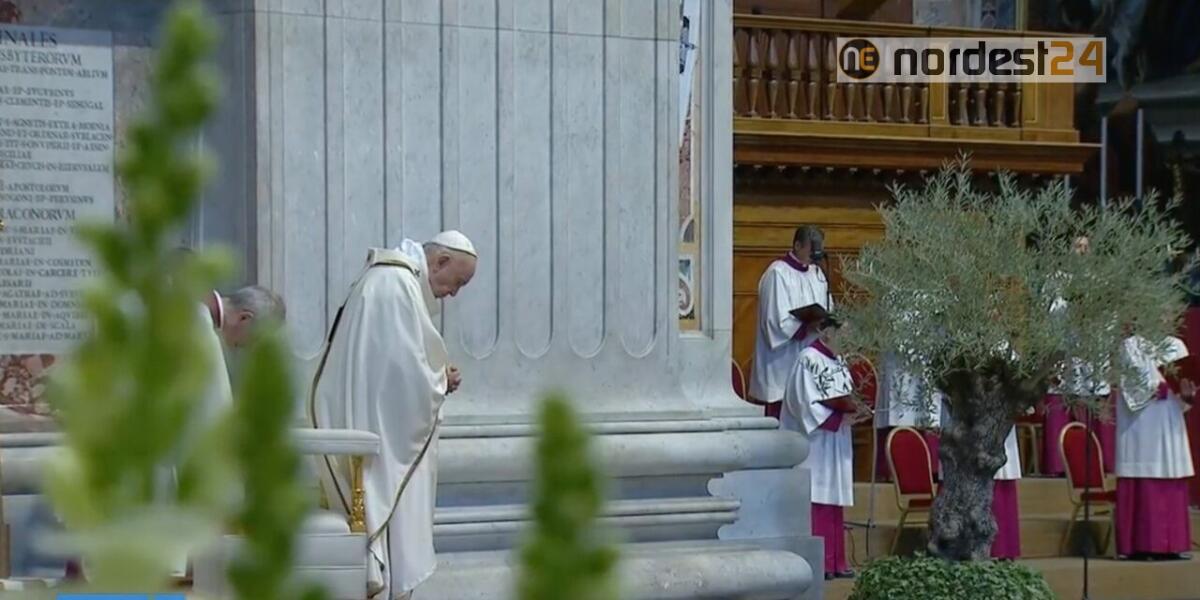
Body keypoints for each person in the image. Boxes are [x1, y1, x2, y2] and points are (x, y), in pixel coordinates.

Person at [310, 230, 477, 599]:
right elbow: (404, 377)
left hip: (372, 422)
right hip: (376, 438)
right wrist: (439, 380)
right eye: (458, 281)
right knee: (386, 532)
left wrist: (434, 376)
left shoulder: (387, 279)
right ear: (440, 262)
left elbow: (393, 369)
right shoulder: (395, 284)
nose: (455, 293)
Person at [781, 304, 868, 580]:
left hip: (836, 438)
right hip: (814, 440)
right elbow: (802, 403)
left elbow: (845, 396)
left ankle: (836, 561)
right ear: (827, 331)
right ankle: (819, 562)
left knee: (833, 497)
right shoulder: (808, 359)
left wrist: (856, 413)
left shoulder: (838, 361)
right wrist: (835, 420)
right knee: (818, 495)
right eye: (845, 334)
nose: (848, 341)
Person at [1115, 335, 1195, 560]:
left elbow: (1184, 397)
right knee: (1146, 475)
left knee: (1171, 473)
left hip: (1170, 421)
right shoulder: (1130, 345)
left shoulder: (1177, 345)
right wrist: (1161, 386)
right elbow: (1130, 387)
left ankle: (1172, 545)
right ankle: (1142, 545)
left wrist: (1187, 394)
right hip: (1141, 424)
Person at [750, 226, 832, 418]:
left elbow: (828, 308)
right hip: (781, 366)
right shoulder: (777, 273)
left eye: (819, 247)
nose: (816, 253)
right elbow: (774, 322)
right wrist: (805, 326)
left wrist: (825, 322)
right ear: (797, 245)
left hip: (808, 362)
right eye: (812, 247)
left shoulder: (817, 274)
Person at [201, 285, 288, 349]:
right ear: (245, 318)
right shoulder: (200, 325)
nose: (247, 346)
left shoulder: (196, 290)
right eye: (253, 339)